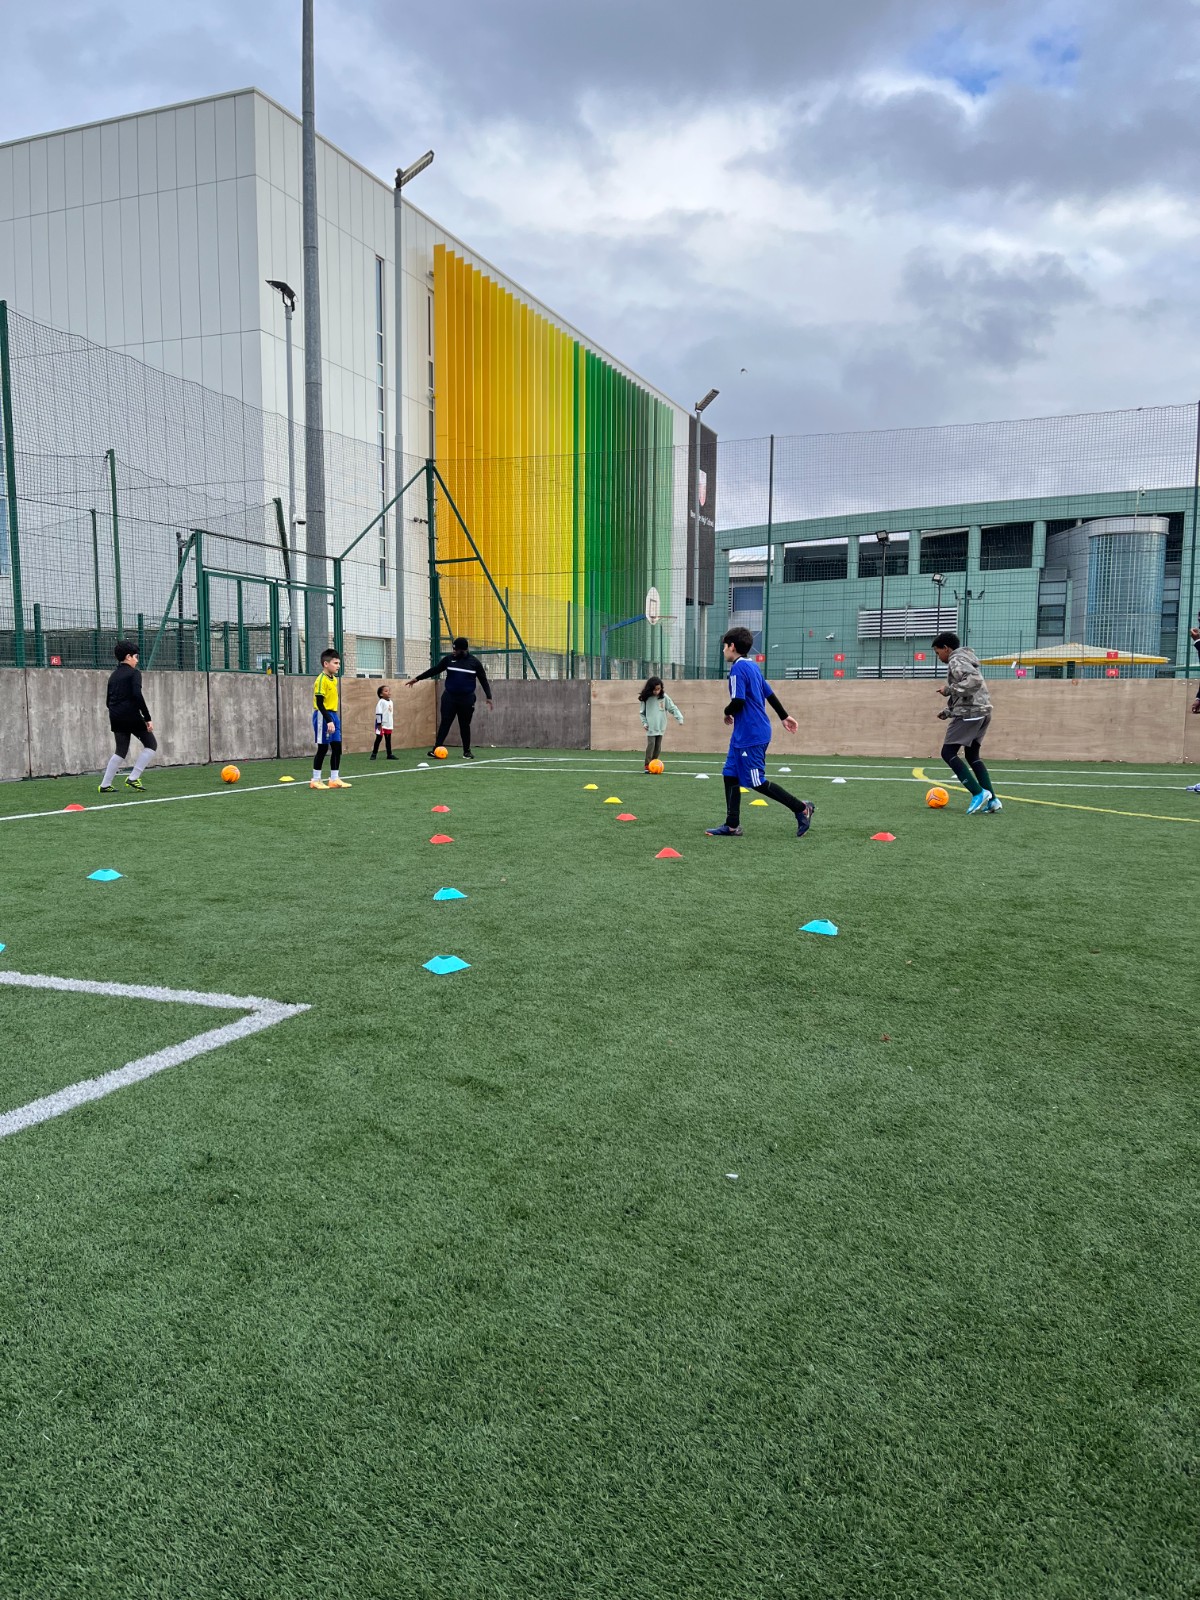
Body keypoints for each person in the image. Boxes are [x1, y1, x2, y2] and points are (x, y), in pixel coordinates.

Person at [706, 627, 814, 839]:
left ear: (732, 647)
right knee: (730, 775)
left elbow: (738, 701)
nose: (723, 651)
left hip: (752, 735)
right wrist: (784, 716)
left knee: (756, 781)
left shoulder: (737, 669)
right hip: (742, 735)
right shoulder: (752, 667)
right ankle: (732, 825)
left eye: (724, 647)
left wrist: (726, 712)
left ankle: (801, 808)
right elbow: (769, 693)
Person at [932, 630, 1000, 815]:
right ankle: (993, 800)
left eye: (938, 653)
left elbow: (974, 682)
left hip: (970, 713)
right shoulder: (967, 658)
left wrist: (948, 689)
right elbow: (970, 691)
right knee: (972, 755)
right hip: (983, 712)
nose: (939, 657)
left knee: (947, 752)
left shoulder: (956, 659)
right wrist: (948, 711)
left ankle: (978, 793)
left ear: (946, 648)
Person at [406, 636, 493, 760]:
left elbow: (483, 680)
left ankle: (466, 751)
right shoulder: (448, 659)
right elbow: (435, 670)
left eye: (456, 650)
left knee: (464, 725)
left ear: (463, 650)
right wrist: (418, 678)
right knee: (445, 722)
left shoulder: (474, 663)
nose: (453, 651)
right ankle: (436, 749)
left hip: (466, 699)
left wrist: (489, 696)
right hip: (449, 697)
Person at [99, 640, 158, 793]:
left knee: (121, 750)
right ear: (128, 657)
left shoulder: (113, 676)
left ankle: (105, 785)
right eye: (136, 657)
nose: (137, 660)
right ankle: (133, 777)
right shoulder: (134, 674)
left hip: (115, 715)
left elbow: (107, 700)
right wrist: (147, 717)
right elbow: (137, 695)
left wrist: (116, 711)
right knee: (151, 744)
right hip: (131, 715)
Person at [311, 648, 351, 790]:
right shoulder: (321, 680)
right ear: (326, 664)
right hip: (323, 715)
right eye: (335, 663)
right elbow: (320, 703)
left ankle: (334, 779)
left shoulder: (333, 679)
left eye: (339, 663)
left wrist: (333, 719)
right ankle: (315, 780)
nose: (338, 666)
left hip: (333, 714)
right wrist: (328, 720)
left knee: (336, 747)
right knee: (322, 748)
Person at [638, 676, 684, 771]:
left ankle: (654, 763)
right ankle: (647, 764)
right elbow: (642, 713)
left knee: (658, 747)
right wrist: (645, 723)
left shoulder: (664, 697)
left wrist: (679, 718)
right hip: (650, 727)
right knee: (651, 745)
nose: (656, 691)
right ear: (650, 688)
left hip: (661, 726)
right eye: (654, 689)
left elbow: (672, 708)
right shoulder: (645, 698)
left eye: (658, 689)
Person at [371, 684, 396, 760]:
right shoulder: (381, 702)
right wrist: (379, 724)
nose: (388, 692)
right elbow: (378, 712)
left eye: (389, 691)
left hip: (389, 724)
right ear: (381, 694)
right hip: (380, 725)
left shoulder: (391, 702)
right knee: (378, 739)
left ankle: (389, 754)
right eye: (386, 691)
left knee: (388, 740)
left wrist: (390, 723)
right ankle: (374, 754)